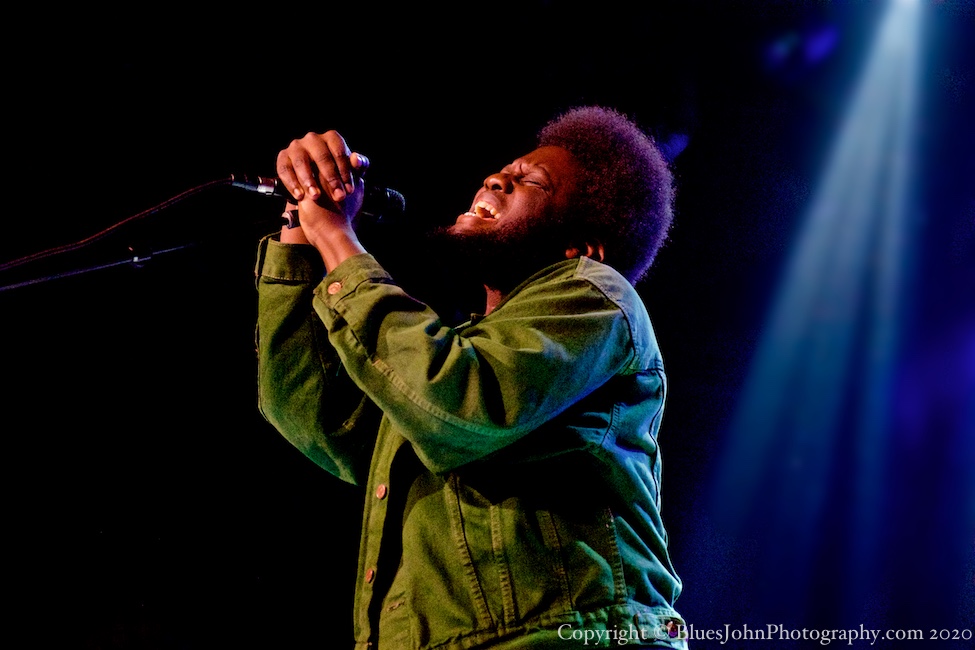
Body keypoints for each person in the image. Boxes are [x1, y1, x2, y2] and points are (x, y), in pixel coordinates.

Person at [255, 106, 688, 649]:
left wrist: (339, 242)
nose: (495, 179)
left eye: (531, 181)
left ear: (580, 246)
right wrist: (301, 228)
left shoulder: (599, 296)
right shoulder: (456, 346)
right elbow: (321, 419)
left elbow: (456, 400)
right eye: (502, 171)